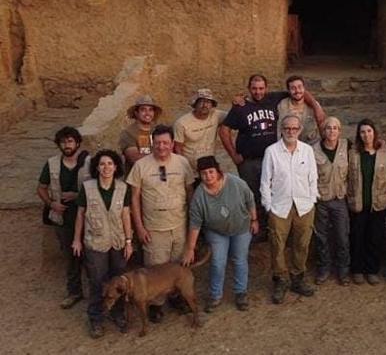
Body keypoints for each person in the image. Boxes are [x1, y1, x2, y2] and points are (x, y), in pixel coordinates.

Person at [219, 74, 321, 239]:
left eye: (261, 88)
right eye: (254, 88)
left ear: (266, 88)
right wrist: (233, 155)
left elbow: (299, 92)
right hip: (249, 160)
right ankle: (257, 231)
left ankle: (276, 229)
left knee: (275, 193)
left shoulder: (274, 99)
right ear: (249, 89)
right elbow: (224, 130)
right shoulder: (240, 107)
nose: (258, 92)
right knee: (252, 195)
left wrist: (316, 106)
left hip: (274, 158)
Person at [127, 124, 194, 322]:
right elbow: (134, 199)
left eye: (165, 142)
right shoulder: (141, 166)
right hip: (154, 228)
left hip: (179, 225)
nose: (161, 147)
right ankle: (156, 304)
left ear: (173, 143)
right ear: (152, 143)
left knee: (177, 267)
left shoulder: (182, 163)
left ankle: (176, 298)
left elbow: (190, 193)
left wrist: (192, 224)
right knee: (155, 270)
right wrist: (139, 227)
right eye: (157, 143)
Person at [182, 156, 258, 312]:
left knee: (239, 259)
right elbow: (195, 224)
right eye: (204, 173)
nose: (208, 176)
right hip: (216, 231)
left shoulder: (235, 183)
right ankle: (216, 295)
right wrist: (190, 248)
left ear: (218, 171)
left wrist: (254, 219)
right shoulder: (199, 196)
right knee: (217, 262)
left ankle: (240, 292)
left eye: (211, 172)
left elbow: (250, 199)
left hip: (241, 227)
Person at [71, 150, 134, 338]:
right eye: (102, 164)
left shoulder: (123, 188)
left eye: (110, 164)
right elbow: (80, 214)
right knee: (97, 281)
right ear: (96, 167)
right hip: (95, 242)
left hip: (118, 242)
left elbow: (125, 215)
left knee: (119, 281)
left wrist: (129, 241)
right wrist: (76, 239)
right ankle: (96, 318)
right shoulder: (88, 187)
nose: (106, 167)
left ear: (116, 167)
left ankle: (118, 314)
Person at [260, 115, 318, 304]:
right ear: (281, 130)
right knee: (278, 245)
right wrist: (269, 206)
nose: (291, 132)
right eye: (287, 128)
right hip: (279, 206)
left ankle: (297, 278)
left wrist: (311, 200)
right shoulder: (272, 151)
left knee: (302, 243)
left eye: (294, 128)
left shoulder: (307, 151)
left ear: (300, 130)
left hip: (304, 206)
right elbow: (265, 181)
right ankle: (280, 280)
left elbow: (312, 178)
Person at [36, 126, 90, 309]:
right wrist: (51, 204)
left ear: (77, 143)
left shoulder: (89, 162)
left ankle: (96, 293)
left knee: (92, 256)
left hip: (88, 218)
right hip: (63, 219)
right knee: (71, 257)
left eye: (70, 141)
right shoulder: (52, 164)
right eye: (63, 142)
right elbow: (41, 187)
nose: (67, 145)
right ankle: (74, 292)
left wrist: (77, 196)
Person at [347, 119, 386, 286]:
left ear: (374, 133)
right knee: (357, 237)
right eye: (363, 132)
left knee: (374, 237)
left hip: (378, 202)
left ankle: (372, 270)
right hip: (358, 202)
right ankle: (357, 270)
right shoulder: (353, 153)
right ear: (359, 135)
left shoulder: (384, 152)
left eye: (369, 131)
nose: (366, 135)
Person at [313, 116, 350, 286]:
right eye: (328, 128)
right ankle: (324, 268)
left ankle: (343, 270)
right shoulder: (314, 150)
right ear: (323, 131)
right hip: (321, 199)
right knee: (322, 237)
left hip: (340, 199)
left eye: (335, 128)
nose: (332, 131)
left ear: (339, 131)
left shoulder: (346, 147)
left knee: (342, 236)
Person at [174, 88, 227, 186]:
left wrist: (240, 103)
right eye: (201, 101)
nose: (205, 105)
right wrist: (184, 171)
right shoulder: (182, 123)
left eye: (208, 102)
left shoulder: (216, 115)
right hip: (191, 173)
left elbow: (235, 117)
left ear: (212, 105)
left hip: (209, 170)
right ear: (195, 104)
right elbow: (178, 148)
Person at [118, 94, 162, 175]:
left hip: (158, 176)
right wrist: (161, 157)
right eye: (143, 110)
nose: (147, 113)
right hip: (138, 178)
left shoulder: (158, 130)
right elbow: (135, 158)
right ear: (136, 113)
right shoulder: (128, 133)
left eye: (150, 110)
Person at [276, 75, 325, 145]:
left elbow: (322, 124)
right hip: (290, 144)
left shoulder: (314, 105)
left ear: (304, 88)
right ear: (288, 91)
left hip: (311, 144)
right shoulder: (283, 105)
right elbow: (280, 128)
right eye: (293, 88)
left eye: (300, 87)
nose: (297, 91)